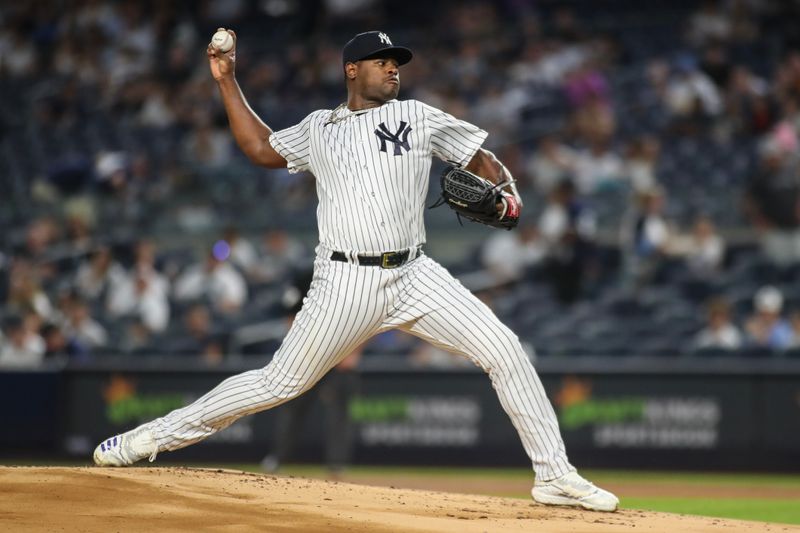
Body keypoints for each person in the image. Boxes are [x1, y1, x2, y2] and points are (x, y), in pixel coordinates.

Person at [92, 29, 618, 512]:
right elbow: (259, 148)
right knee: (277, 384)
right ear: (351, 70)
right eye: (381, 61)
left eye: (396, 63)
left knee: (505, 350)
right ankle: (150, 438)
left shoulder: (418, 115)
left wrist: (509, 196)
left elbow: (482, 158)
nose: (393, 69)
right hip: (345, 282)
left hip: (415, 273)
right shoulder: (320, 128)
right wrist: (227, 81)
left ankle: (554, 475)